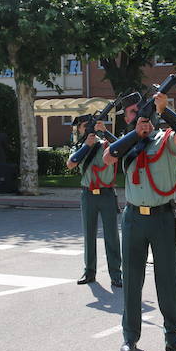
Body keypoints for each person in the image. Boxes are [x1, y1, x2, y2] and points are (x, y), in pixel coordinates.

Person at [104, 91, 176, 351]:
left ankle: (172, 336)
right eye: (133, 114)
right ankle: (130, 336)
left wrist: (166, 110)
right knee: (132, 279)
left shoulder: (164, 138)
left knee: (167, 278)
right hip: (134, 218)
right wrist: (136, 134)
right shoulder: (126, 143)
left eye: (142, 112)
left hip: (163, 217)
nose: (139, 117)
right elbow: (109, 158)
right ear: (128, 118)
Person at [66, 115, 122, 288]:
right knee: (89, 234)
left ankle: (116, 274)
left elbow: (121, 149)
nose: (85, 129)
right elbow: (71, 164)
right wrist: (86, 146)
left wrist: (105, 132)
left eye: (87, 125)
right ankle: (89, 272)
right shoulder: (79, 146)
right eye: (83, 126)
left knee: (111, 235)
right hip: (88, 194)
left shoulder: (105, 143)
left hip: (106, 194)